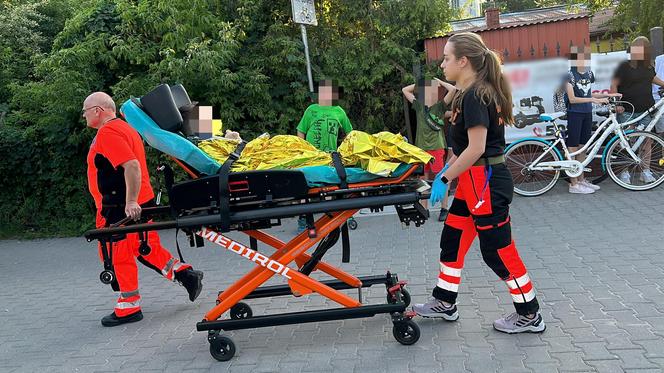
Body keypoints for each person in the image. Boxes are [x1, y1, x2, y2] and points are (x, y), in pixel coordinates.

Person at [412, 32, 545, 334]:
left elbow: (476, 148)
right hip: (472, 184)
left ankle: (530, 313)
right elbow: (461, 150)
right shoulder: (466, 93)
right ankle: (445, 301)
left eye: (447, 58)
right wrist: (448, 172)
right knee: (453, 240)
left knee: (498, 252)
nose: (442, 64)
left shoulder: (476, 95)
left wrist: (444, 177)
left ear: (464, 61)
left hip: (485, 185)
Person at [83, 92, 204, 327]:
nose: (84, 116)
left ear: (98, 110)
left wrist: (129, 202)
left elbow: (131, 166)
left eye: (85, 111)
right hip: (138, 201)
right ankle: (185, 275)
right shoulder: (125, 128)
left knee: (118, 253)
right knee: (145, 246)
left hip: (120, 206)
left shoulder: (108, 133)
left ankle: (129, 306)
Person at [296, 79, 353, 232]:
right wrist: (302, 148)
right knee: (307, 186)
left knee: (332, 185)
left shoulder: (339, 111)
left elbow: (350, 133)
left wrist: (346, 150)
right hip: (311, 155)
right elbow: (301, 130)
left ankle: (341, 214)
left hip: (329, 156)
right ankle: (304, 217)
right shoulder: (311, 110)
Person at [402, 78, 457, 221]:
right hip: (421, 149)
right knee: (423, 179)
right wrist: (421, 84)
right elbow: (405, 90)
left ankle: (444, 208)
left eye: (431, 91)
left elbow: (452, 90)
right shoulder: (419, 106)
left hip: (436, 148)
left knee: (442, 177)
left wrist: (439, 81)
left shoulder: (440, 107)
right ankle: (424, 209)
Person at [611, 37, 664, 183]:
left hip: (647, 110)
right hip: (627, 110)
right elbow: (613, 85)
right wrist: (617, 104)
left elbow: (655, 79)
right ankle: (624, 172)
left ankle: (645, 171)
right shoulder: (624, 66)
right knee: (626, 141)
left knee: (647, 141)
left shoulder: (648, 67)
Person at [563, 45, 612, 194]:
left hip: (587, 113)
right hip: (574, 114)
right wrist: (592, 99)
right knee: (573, 148)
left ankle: (581, 179)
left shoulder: (589, 74)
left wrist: (608, 96)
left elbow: (588, 95)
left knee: (583, 147)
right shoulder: (568, 75)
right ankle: (573, 184)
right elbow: (572, 99)